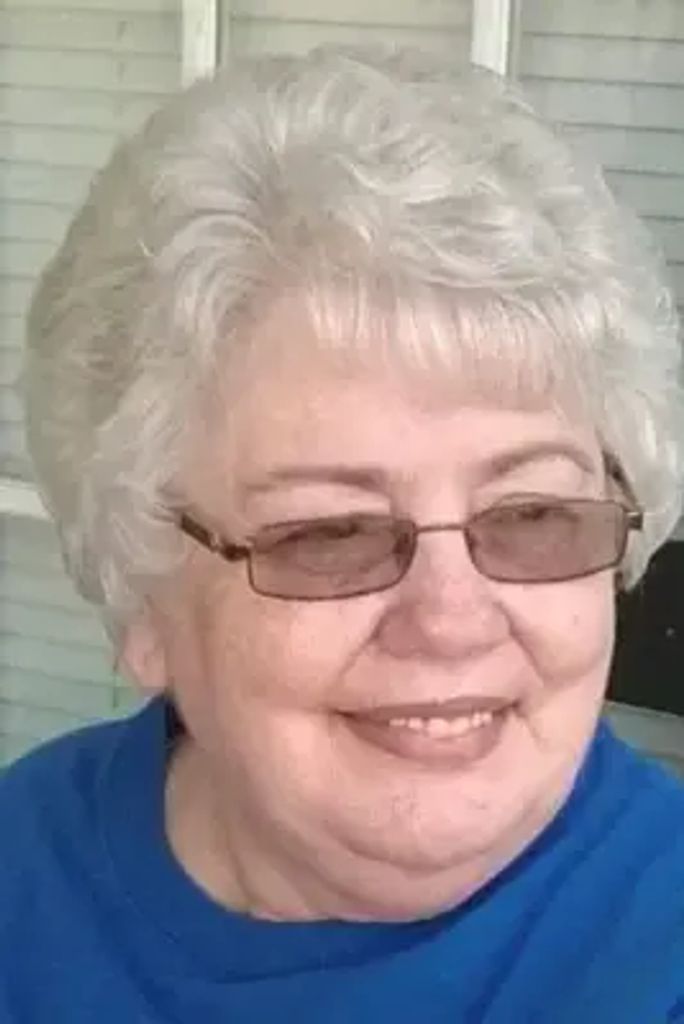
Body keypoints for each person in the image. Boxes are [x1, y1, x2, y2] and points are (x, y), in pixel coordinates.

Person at [1, 46, 683, 1023]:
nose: (451, 619)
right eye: (329, 533)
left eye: (532, 514)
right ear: (144, 593)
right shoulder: (24, 866)